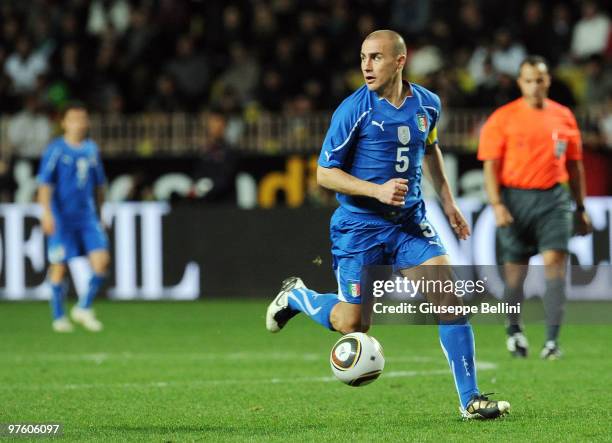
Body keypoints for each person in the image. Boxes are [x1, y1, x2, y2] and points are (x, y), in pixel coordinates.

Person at [266, 30, 509, 419]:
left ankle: (471, 399)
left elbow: (430, 148)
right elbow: (325, 173)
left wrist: (447, 201)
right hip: (359, 227)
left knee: (450, 299)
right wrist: (375, 191)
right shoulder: (353, 109)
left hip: (409, 223)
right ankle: (298, 296)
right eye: (363, 57)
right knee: (352, 323)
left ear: (400, 60)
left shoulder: (428, 103)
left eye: (376, 57)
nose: (366, 65)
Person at [478, 56, 592, 360]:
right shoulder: (503, 118)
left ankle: (551, 342)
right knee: (515, 277)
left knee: (556, 267)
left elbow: (575, 166)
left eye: (540, 79)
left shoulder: (564, 117)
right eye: (528, 79)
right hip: (515, 199)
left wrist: (580, 207)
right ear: (520, 82)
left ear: (548, 81)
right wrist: (497, 205)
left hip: (554, 199)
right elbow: (491, 166)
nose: (535, 85)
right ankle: (514, 331)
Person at [37, 103, 110, 332]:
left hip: (87, 217)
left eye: (83, 119)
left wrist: (101, 214)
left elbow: (100, 186)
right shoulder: (56, 149)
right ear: (64, 123)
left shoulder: (91, 150)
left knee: (101, 262)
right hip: (62, 218)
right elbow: (44, 184)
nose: (79, 124)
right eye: (74, 119)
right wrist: (46, 213)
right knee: (59, 266)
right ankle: (58, 316)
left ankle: (83, 307)